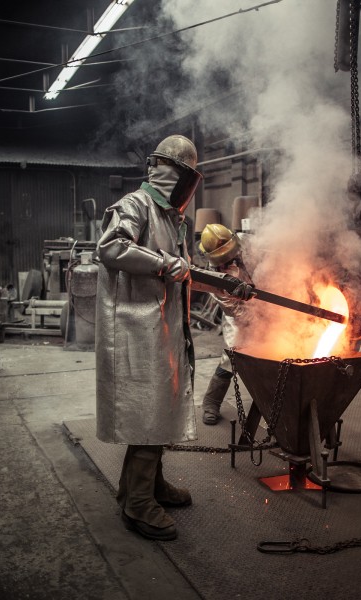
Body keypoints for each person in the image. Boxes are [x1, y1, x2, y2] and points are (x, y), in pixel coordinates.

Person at [94, 134, 203, 541]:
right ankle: (138, 504)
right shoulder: (136, 205)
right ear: (171, 172)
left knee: (158, 409)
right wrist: (163, 262)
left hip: (161, 327)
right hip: (135, 330)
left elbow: (179, 270)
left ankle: (145, 487)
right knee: (148, 410)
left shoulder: (171, 219)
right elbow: (110, 247)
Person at [196, 223, 254, 425]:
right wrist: (257, 322)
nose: (229, 260)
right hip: (240, 312)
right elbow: (234, 310)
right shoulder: (214, 278)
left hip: (264, 294)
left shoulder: (249, 243)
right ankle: (211, 402)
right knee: (232, 354)